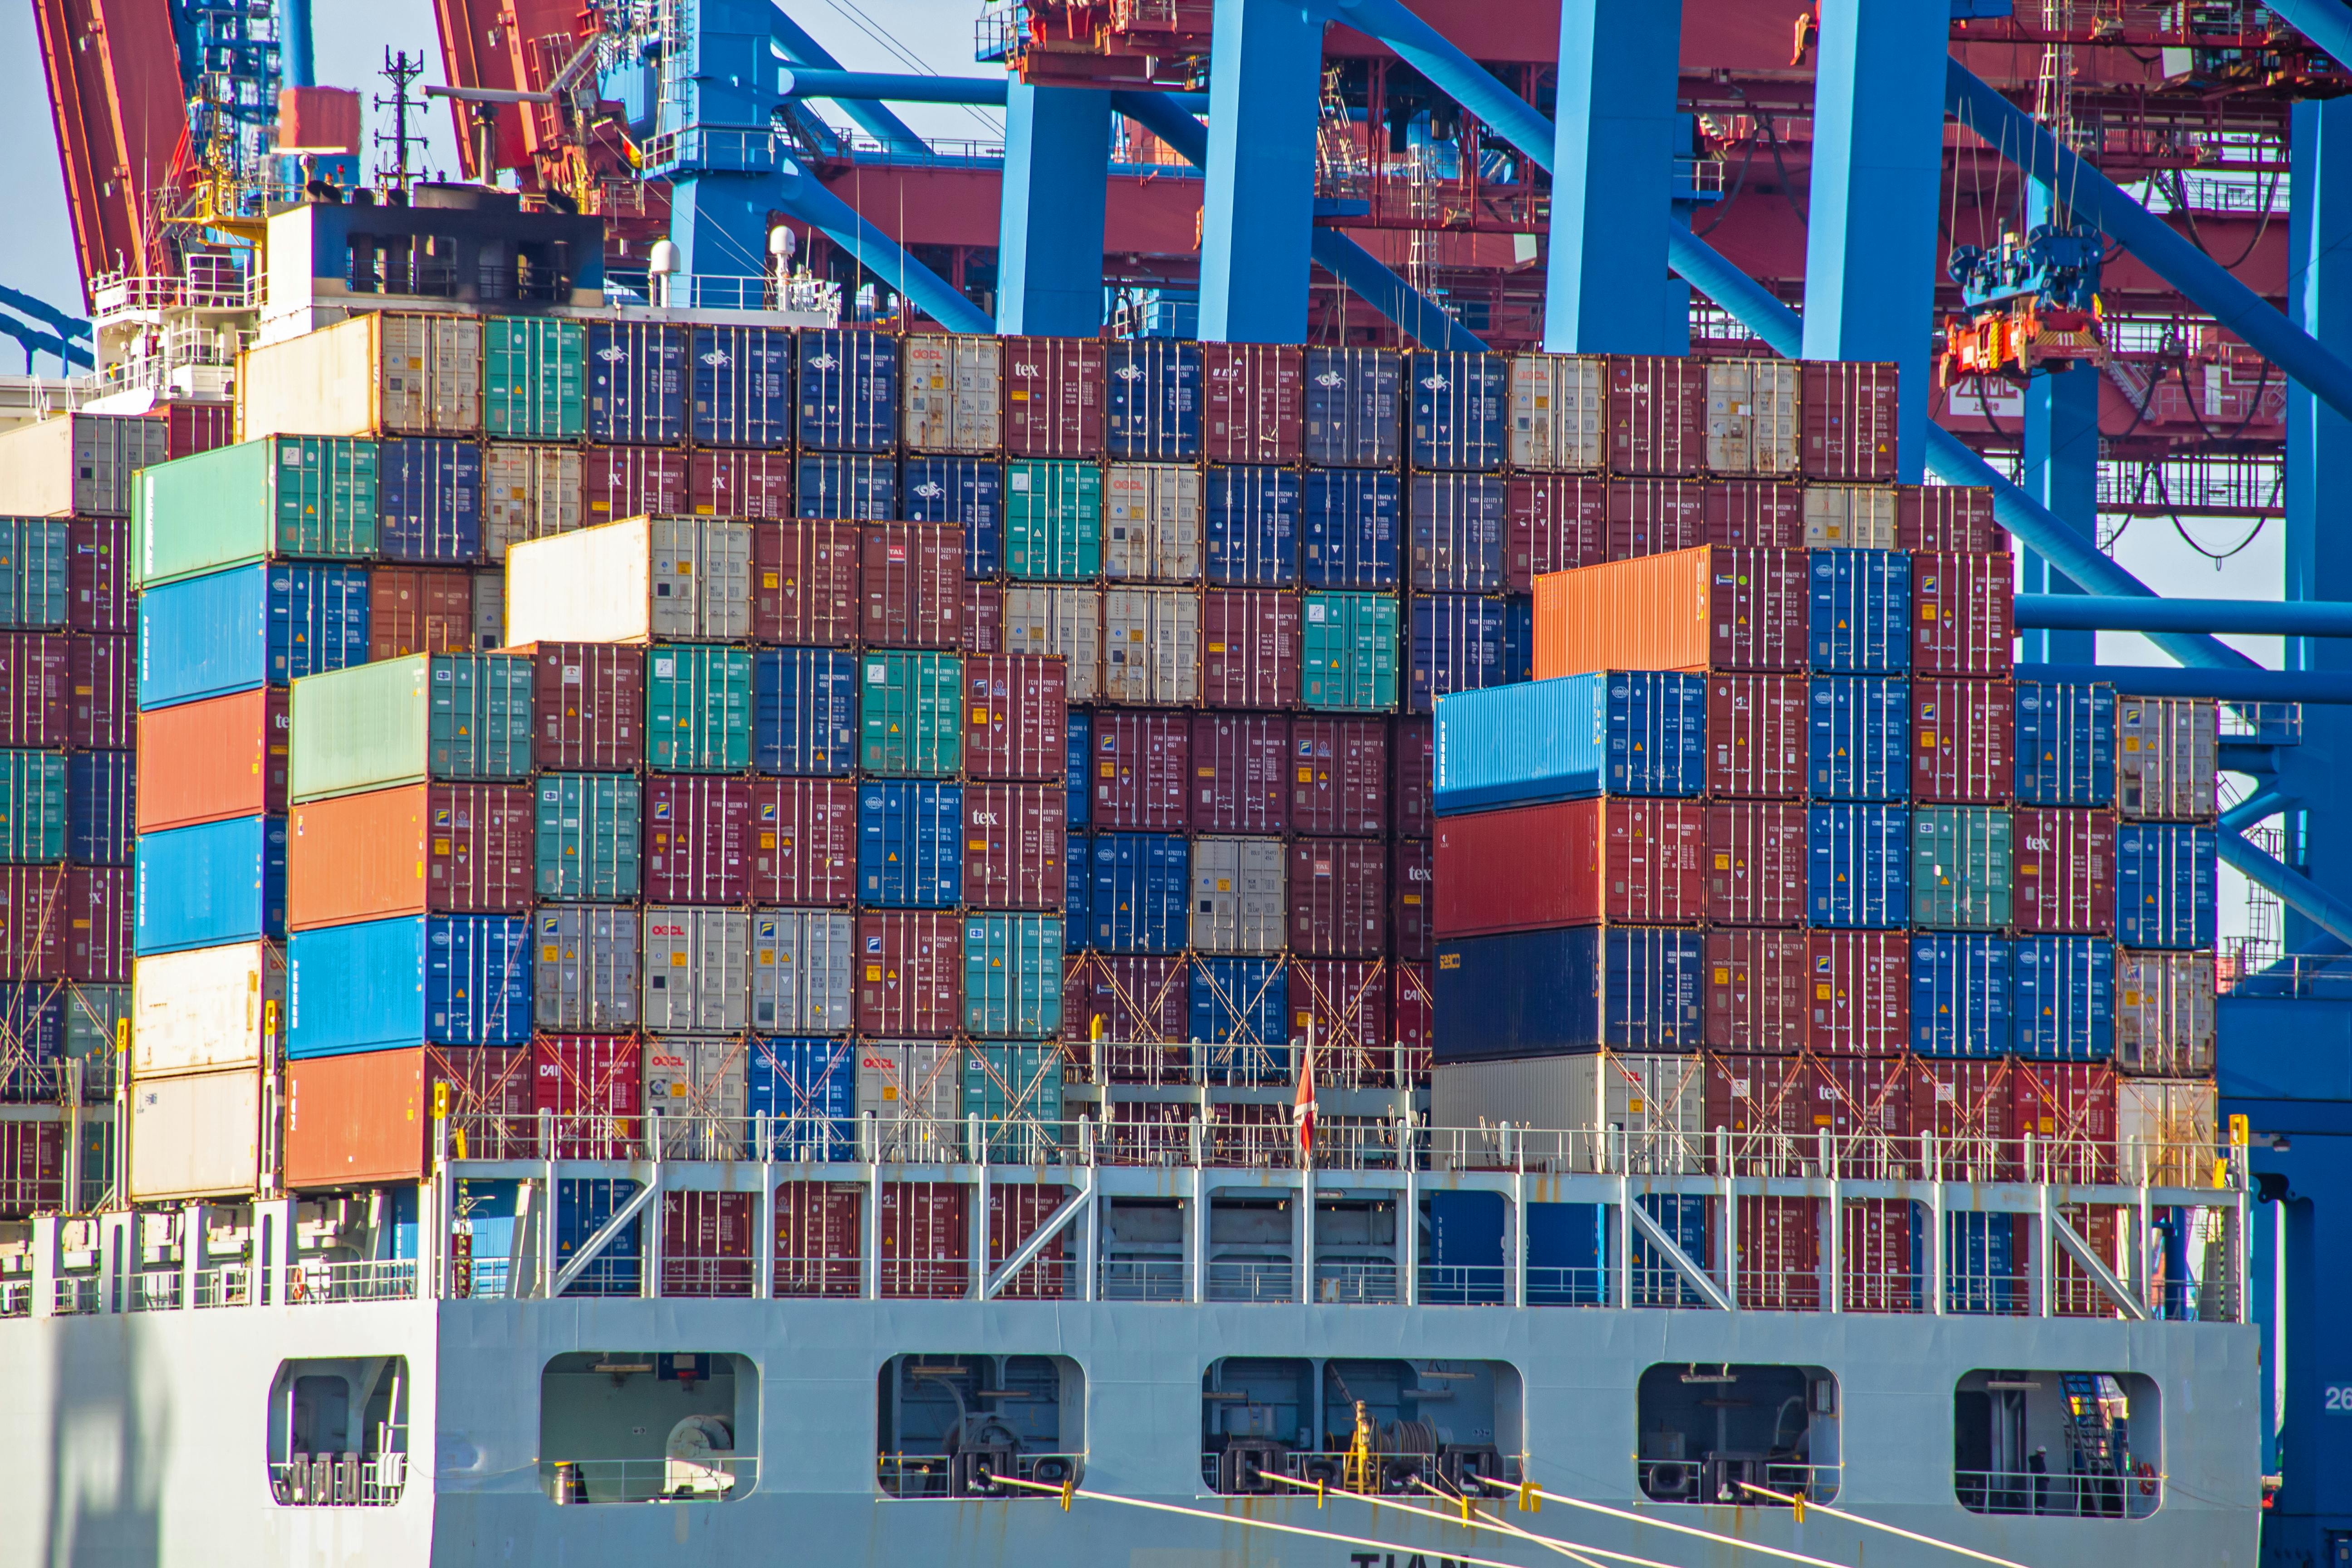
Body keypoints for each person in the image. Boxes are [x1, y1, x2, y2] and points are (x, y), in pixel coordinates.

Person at [2028, 1446, 2049, 1515]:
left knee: (2037, 1501)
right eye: (2042, 1453)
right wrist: (2047, 1480)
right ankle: (2039, 1516)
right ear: (2038, 1453)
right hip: (2040, 1484)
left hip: (2035, 1483)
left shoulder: (2033, 1461)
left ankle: (2036, 1514)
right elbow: (2043, 1473)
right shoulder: (2040, 1461)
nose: (2043, 1455)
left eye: (2044, 1453)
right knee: (2042, 1500)